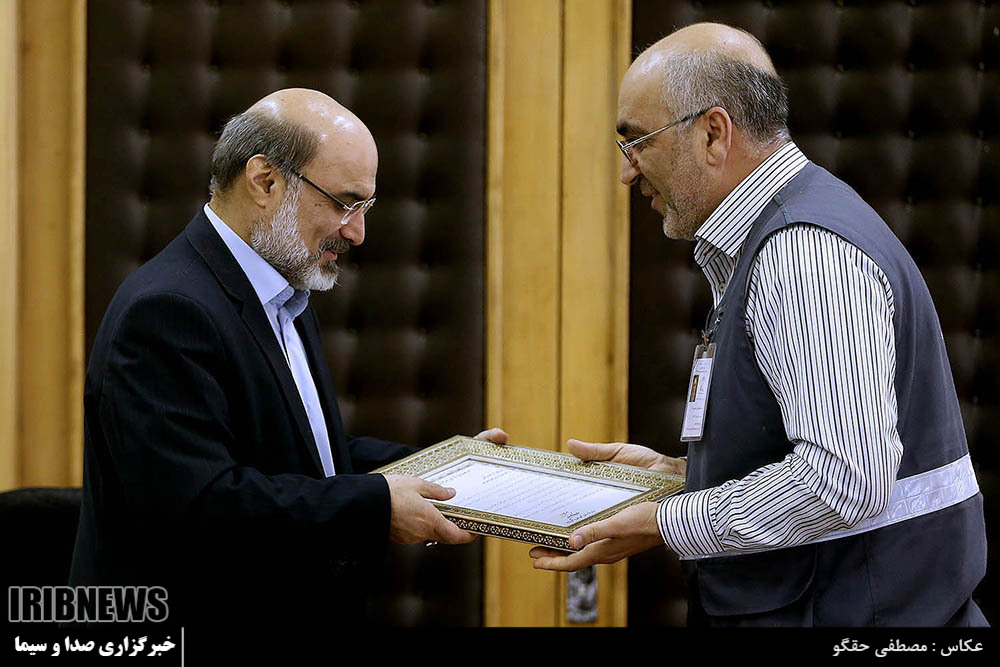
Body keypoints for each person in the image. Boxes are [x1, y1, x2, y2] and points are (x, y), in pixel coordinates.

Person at [530, 23, 988, 627]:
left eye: (637, 142)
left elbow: (844, 481)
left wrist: (665, 520)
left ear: (713, 133)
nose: (627, 172)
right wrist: (684, 479)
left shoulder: (803, 252)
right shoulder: (784, 230)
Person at [70, 88, 506, 626]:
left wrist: (448, 467)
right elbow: (201, 505)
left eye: (365, 208)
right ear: (265, 181)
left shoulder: (283, 290)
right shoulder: (167, 310)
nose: (357, 232)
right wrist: (376, 507)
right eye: (344, 203)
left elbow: (305, 455)